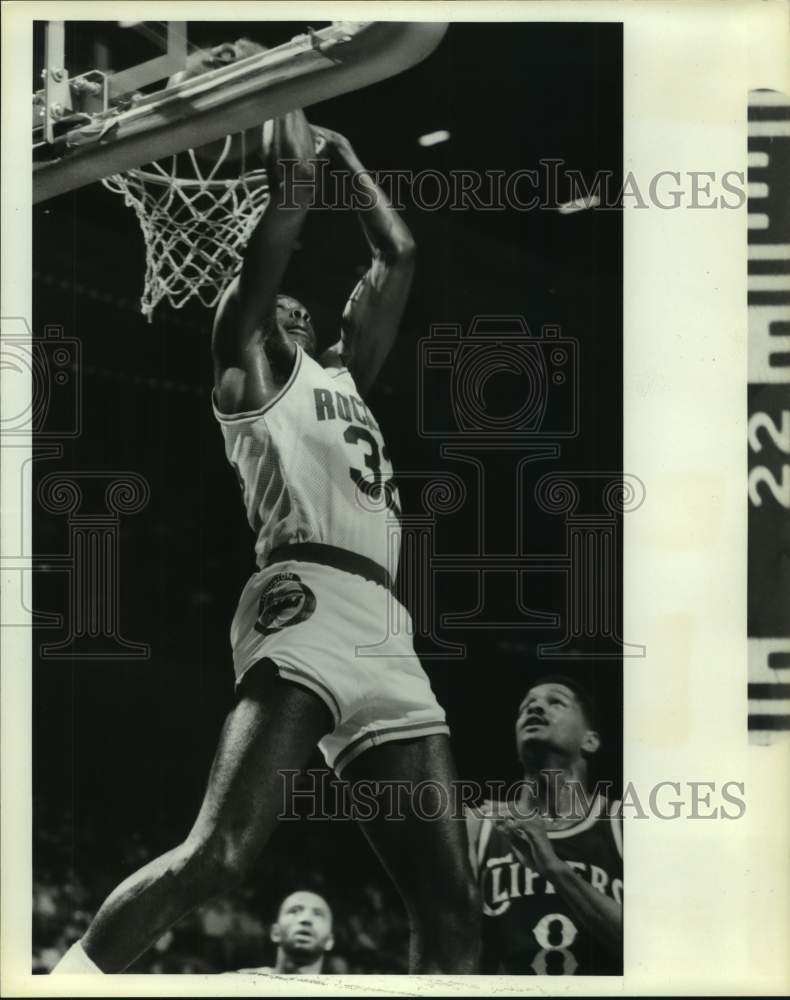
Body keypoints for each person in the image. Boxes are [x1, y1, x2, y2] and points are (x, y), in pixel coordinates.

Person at [52, 58, 479, 975]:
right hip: (307, 594)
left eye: (296, 300)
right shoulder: (248, 364)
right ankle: (70, 982)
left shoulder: (342, 377)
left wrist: (348, 150)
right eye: (267, 296)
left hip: (386, 629)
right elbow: (282, 215)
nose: (287, 299)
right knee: (224, 854)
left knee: (451, 903)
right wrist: (282, 98)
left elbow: (398, 254)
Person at [466, 675, 622, 974]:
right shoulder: (478, 826)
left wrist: (552, 867)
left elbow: (654, 953)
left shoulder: (622, 824)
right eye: (526, 706)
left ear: (590, 740)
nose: (535, 708)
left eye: (556, 702)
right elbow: (451, 945)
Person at [231, 890, 335, 975]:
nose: (306, 919)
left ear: (329, 941)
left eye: (318, 914)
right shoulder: (237, 985)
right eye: (294, 911)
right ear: (275, 932)